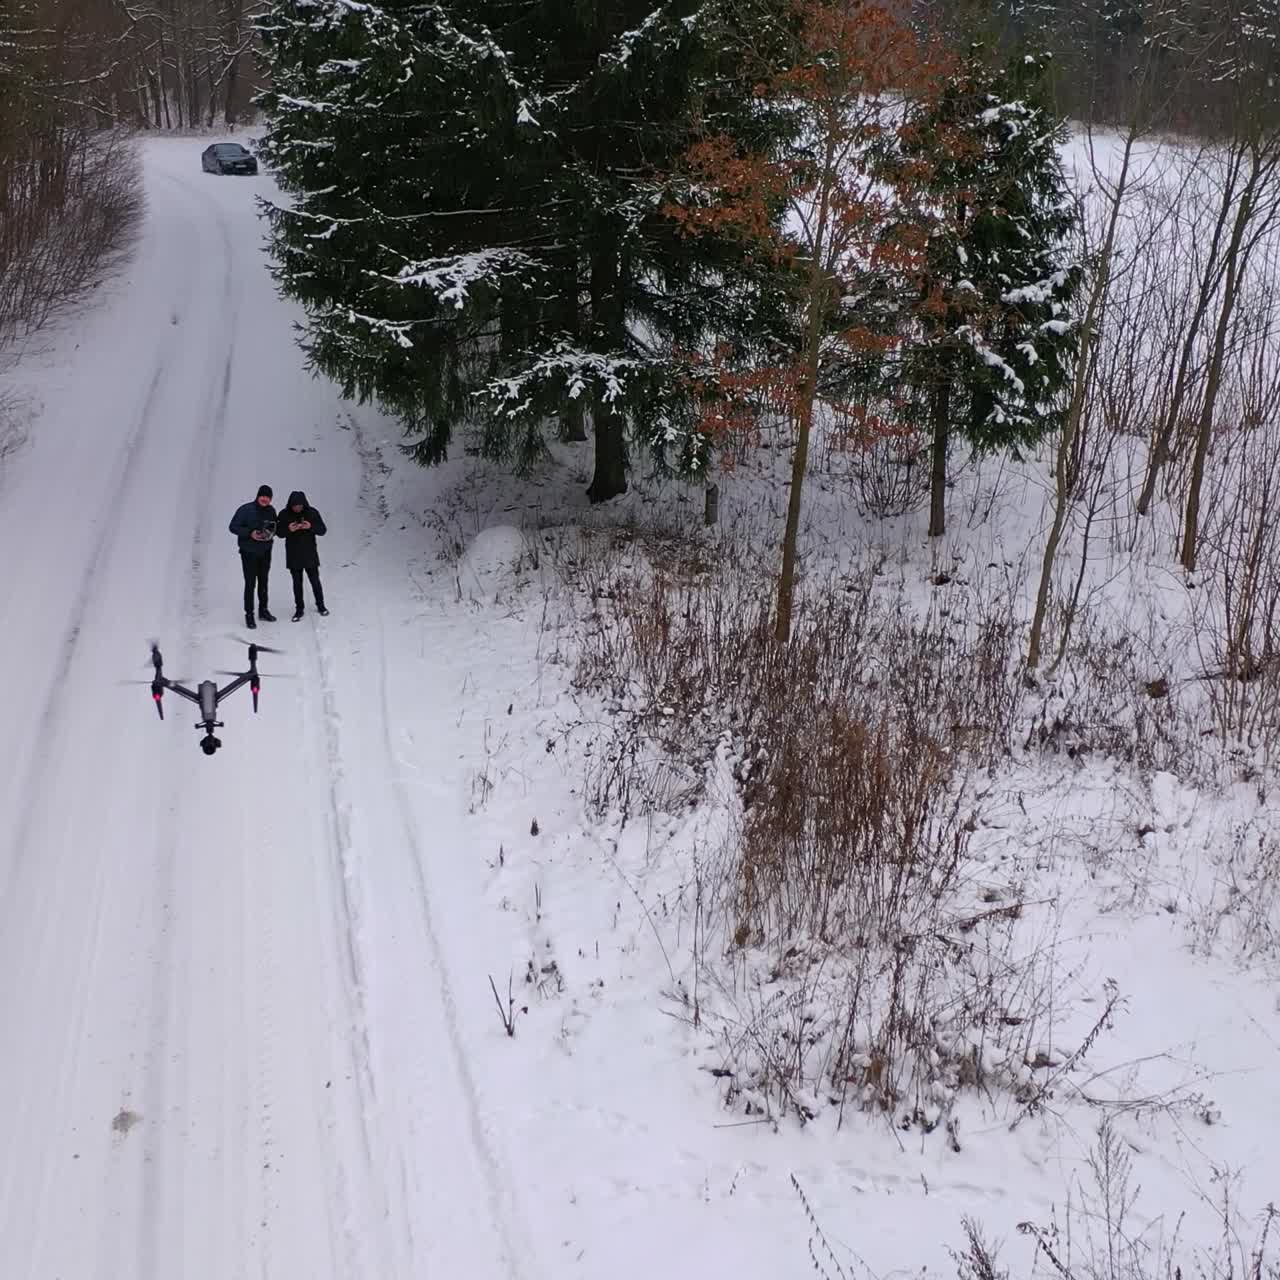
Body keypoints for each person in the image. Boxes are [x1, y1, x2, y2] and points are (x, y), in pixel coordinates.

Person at [228, 484, 278, 629]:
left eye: (268, 497)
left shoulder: (271, 510)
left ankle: (263, 610)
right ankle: (249, 614)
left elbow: (274, 527)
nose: (265, 499)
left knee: (264, 581)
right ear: (258, 496)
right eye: (262, 496)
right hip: (248, 552)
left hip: (265, 551)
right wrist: (250, 533)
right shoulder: (245, 509)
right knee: (250, 583)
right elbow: (233, 527)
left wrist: (270, 533)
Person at [276, 490, 329, 621]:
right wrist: (289, 529)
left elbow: (322, 530)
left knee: (315, 581)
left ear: (304, 504)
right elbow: (279, 533)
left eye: (299, 505)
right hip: (293, 554)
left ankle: (321, 606)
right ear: (290, 505)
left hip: (310, 553)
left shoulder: (312, 512)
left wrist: (310, 526)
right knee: (297, 583)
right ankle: (299, 609)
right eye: (294, 505)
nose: (297, 508)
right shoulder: (283, 514)